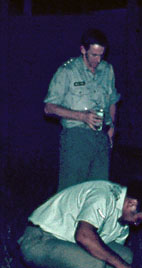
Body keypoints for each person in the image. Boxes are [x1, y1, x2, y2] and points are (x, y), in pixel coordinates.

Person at [44, 28, 120, 191]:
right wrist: (82, 116)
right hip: (76, 137)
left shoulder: (107, 70)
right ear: (83, 50)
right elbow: (49, 108)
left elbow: (112, 100)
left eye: (102, 55)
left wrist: (112, 126)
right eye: (94, 55)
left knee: (98, 193)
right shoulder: (68, 71)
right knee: (71, 192)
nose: (98, 59)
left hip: (101, 138)